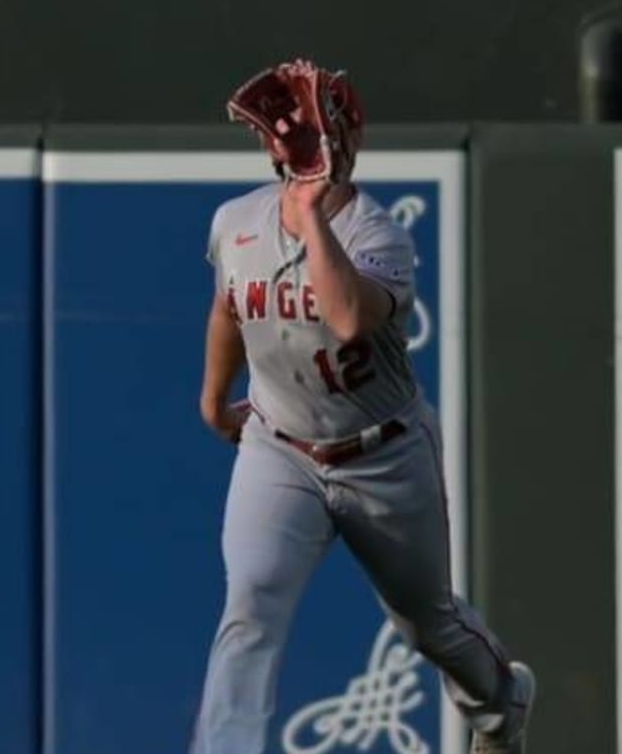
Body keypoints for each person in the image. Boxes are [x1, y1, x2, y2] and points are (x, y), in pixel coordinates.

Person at [191, 58, 536, 754]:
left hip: (382, 453)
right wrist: (213, 399)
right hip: (279, 447)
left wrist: (314, 212)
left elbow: (347, 316)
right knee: (250, 602)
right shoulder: (237, 220)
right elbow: (229, 306)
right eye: (285, 132)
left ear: (344, 139)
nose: (291, 144)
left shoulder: (379, 235)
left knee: (427, 623)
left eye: (310, 129)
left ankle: (503, 703)